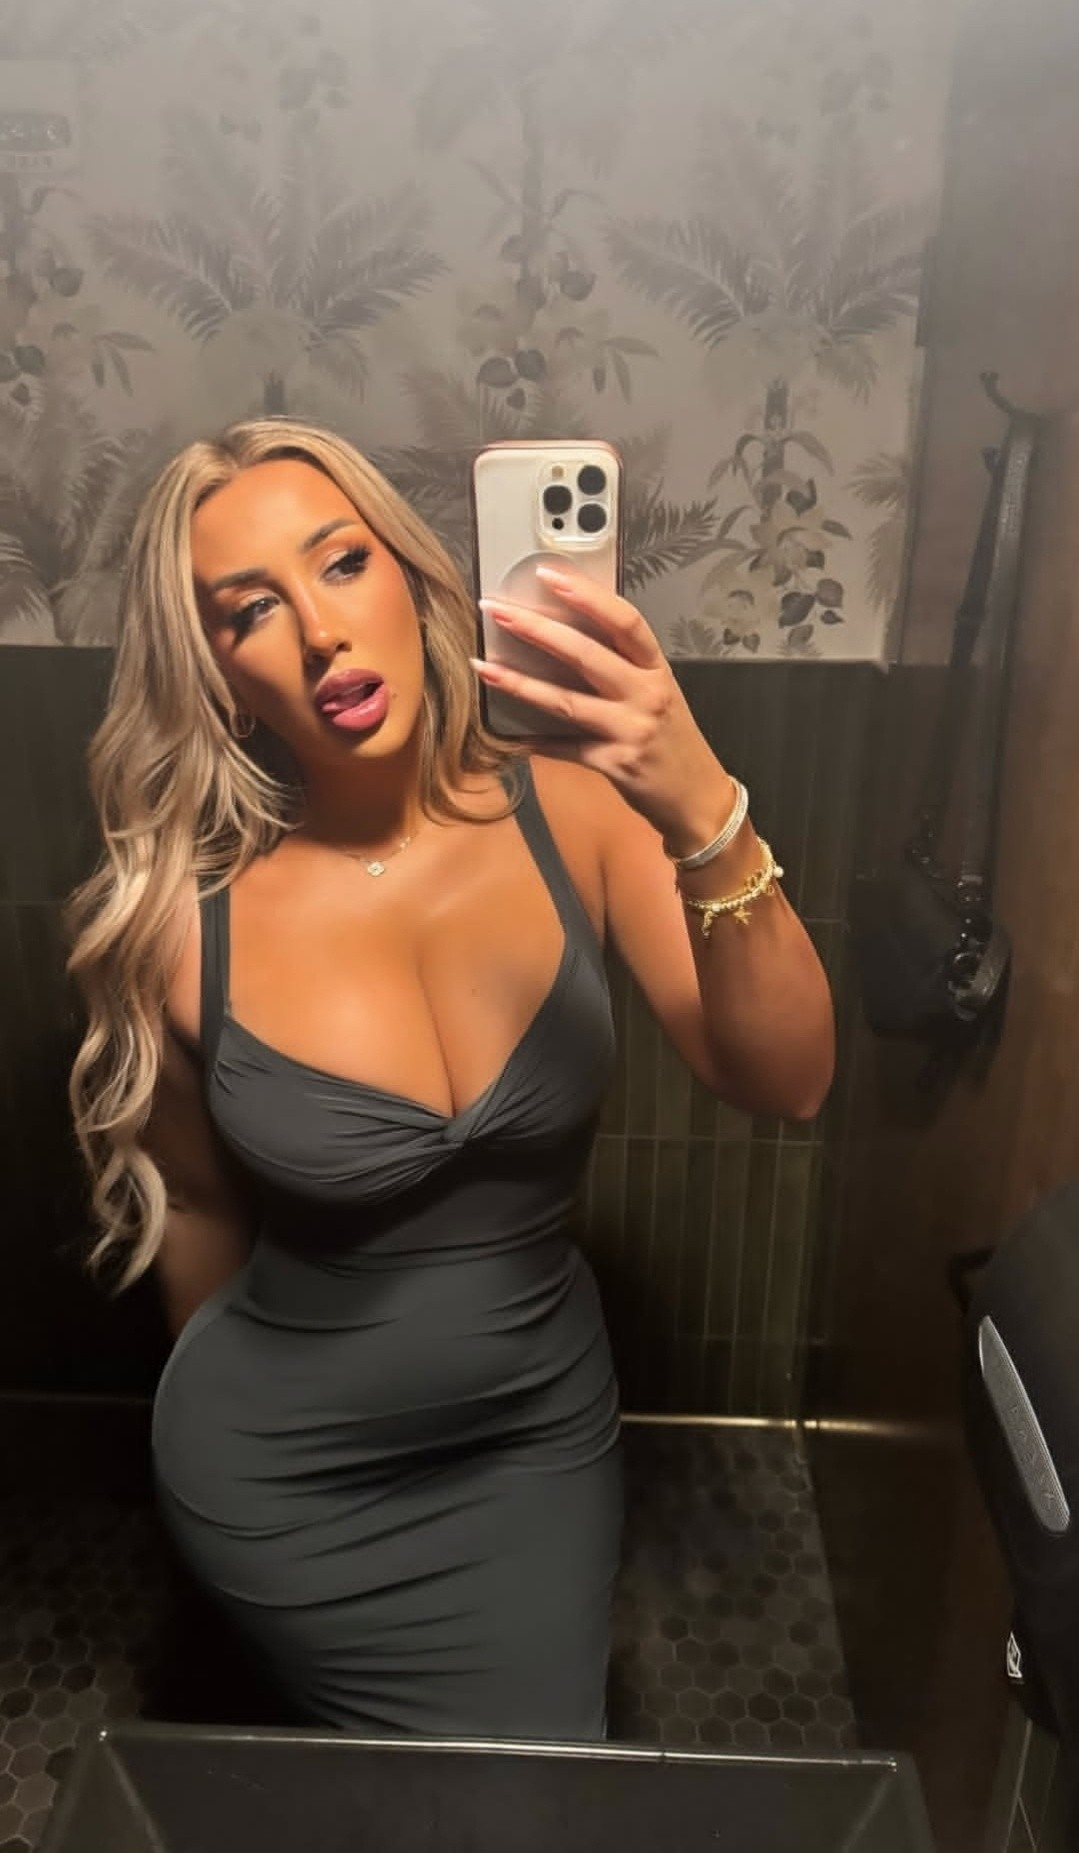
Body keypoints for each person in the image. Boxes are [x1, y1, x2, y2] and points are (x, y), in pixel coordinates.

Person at [67, 419, 834, 1741]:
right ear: (221, 677)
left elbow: (790, 1079)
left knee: (532, 1787)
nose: (321, 633)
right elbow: (193, 1209)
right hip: (287, 1485)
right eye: (252, 610)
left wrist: (700, 802)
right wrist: (219, 1431)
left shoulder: (576, 813)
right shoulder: (181, 926)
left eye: (342, 563)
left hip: (536, 1445)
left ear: (414, 578)